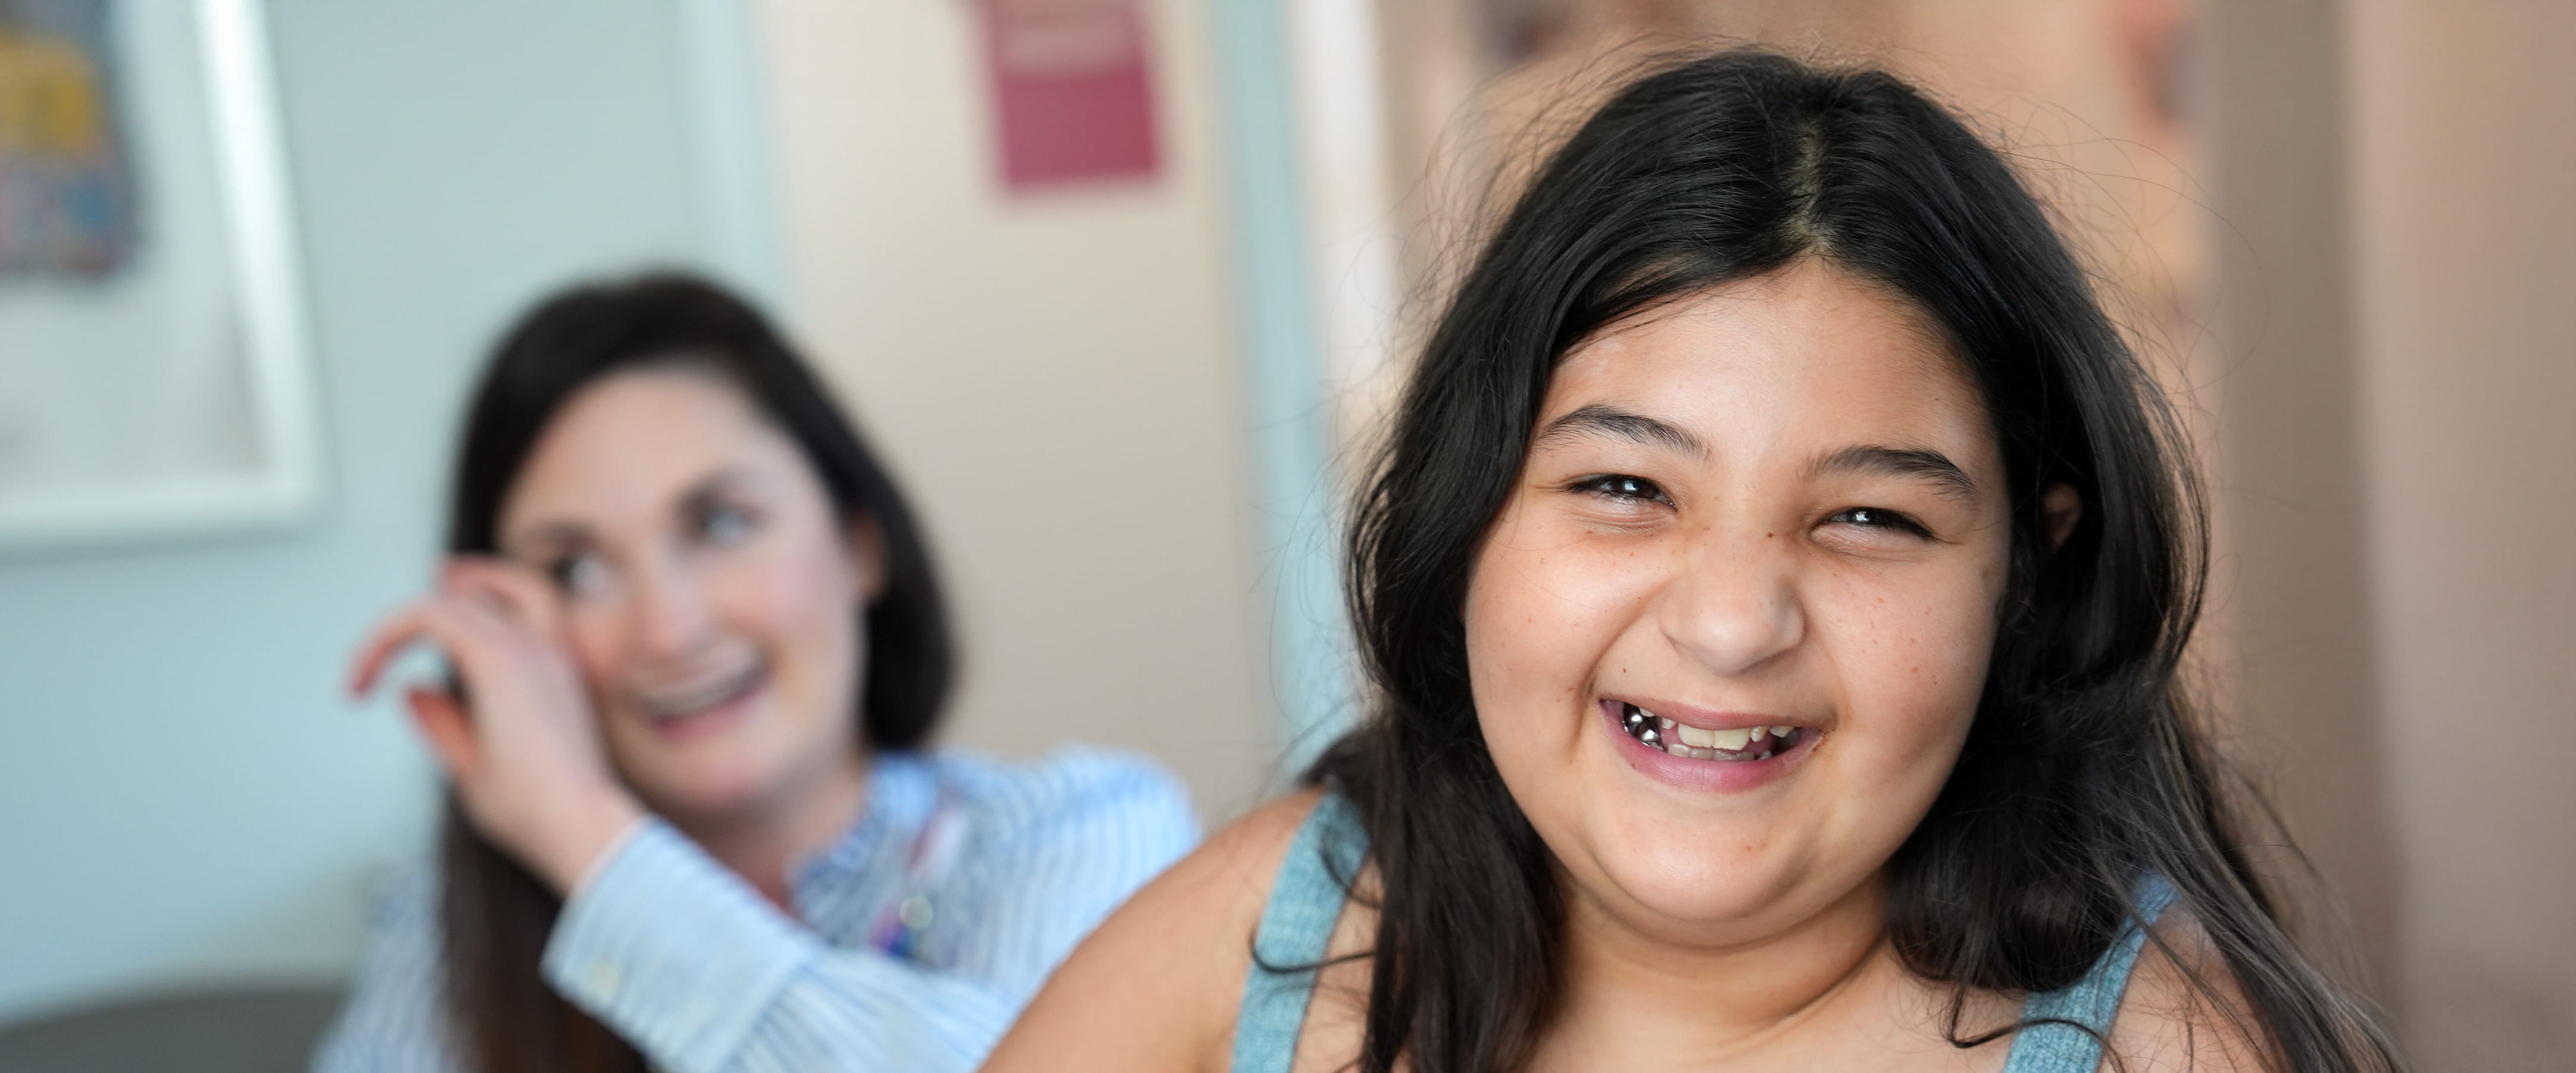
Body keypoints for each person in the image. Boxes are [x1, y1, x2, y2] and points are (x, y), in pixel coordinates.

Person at [983, 52, 2403, 1073]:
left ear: (2024, 576)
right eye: (1622, 486)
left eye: (1867, 518)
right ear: (1468, 509)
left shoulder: (2173, 1054)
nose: (1729, 622)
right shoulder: (1290, 916)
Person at [312, 275, 1197, 1073]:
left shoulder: (1082, 835)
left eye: (722, 524)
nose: (669, 628)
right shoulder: (455, 928)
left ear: (860, 544)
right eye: (576, 570)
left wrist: (584, 834)